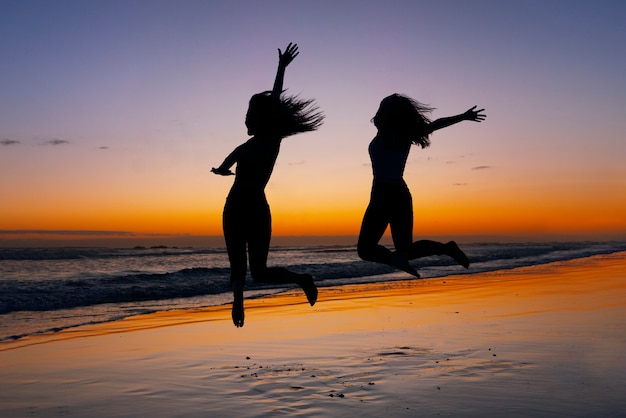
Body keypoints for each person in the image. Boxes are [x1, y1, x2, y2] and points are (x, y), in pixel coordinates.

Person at [212, 43, 323, 327]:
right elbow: (226, 163)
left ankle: (244, 300)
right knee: (255, 271)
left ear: (260, 119)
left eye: (249, 114)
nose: (245, 118)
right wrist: (222, 170)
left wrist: (281, 68)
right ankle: (290, 283)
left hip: (239, 206)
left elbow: (274, 102)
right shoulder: (257, 144)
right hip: (253, 208)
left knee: (246, 267)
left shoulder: (267, 141)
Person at [357, 94, 486, 277]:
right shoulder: (405, 133)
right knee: (404, 249)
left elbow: (435, 124)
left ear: (389, 113)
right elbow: (436, 124)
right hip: (399, 194)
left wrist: (462, 117)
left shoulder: (388, 132)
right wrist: (462, 117)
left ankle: (401, 259)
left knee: (366, 250)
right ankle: (446, 248)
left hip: (384, 194)